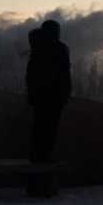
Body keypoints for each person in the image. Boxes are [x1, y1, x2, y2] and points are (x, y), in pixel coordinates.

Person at [26, 20, 71, 164]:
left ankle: (39, 155)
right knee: (48, 126)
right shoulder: (58, 49)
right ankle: (42, 156)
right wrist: (66, 91)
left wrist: (31, 92)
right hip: (52, 95)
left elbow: (31, 73)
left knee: (42, 125)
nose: (58, 33)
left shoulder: (38, 47)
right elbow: (64, 73)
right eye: (56, 30)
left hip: (45, 95)